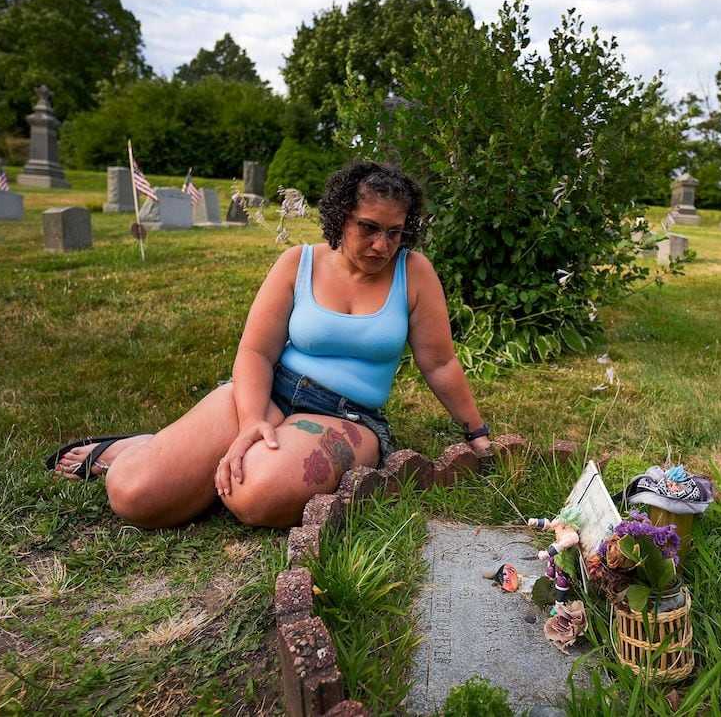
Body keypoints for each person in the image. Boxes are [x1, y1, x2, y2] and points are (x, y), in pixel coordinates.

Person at [46, 161, 492, 528]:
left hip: (346, 417)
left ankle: (197, 457)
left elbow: (440, 363)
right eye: (369, 228)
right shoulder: (298, 262)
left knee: (256, 495)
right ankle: (137, 448)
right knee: (134, 496)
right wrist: (250, 422)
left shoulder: (414, 272)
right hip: (270, 389)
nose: (382, 245)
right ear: (340, 218)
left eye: (395, 232)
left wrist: (477, 434)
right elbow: (256, 352)